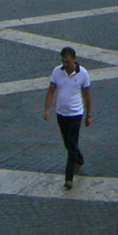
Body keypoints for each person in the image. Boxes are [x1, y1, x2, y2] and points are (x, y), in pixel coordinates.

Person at [41, 46, 91, 189]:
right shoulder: (57, 72)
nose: (65, 65)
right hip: (61, 114)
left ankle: (69, 178)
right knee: (68, 143)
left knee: (71, 145)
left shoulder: (83, 74)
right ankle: (79, 159)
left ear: (74, 59)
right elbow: (51, 91)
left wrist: (88, 115)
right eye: (63, 62)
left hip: (76, 114)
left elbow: (87, 96)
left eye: (68, 62)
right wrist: (46, 109)